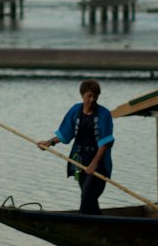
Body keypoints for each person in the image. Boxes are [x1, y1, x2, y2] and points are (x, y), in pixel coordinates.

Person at [38, 78, 114, 215]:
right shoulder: (75, 110)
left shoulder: (104, 114)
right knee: (89, 198)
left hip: (99, 162)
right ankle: (99, 222)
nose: (92, 99)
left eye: (95, 96)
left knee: (87, 194)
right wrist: (49, 142)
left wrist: (94, 164)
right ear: (82, 95)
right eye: (89, 96)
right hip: (80, 161)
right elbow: (66, 133)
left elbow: (105, 143)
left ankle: (81, 220)